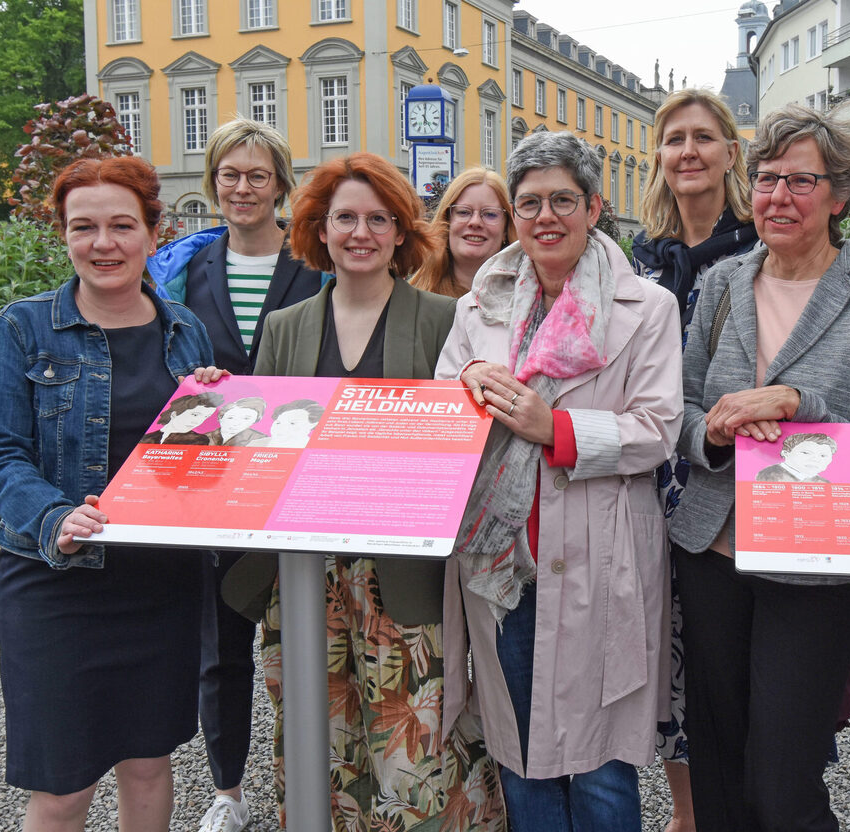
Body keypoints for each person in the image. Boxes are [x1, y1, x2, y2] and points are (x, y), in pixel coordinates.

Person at [222, 152, 504, 831]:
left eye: (379, 219)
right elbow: (260, 452)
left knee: (417, 755)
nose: (361, 232)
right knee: (317, 744)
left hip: (404, 581)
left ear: (401, 233)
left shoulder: (445, 319)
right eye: (345, 217)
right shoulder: (286, 326)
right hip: (302, 580)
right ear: (319, 228)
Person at [670, 103, 850, 831]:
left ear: (840, 195)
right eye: (768, 179)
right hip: (712, 548)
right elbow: (679, 408)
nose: (777, 197)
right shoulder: (721, 284)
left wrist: (799, 400)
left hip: (815, 563)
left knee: (781, 783)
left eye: (799, 181)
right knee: (715, 762)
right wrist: (710, 435)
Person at [436, 131, 683, 831]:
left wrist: (560, 430)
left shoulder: (648, 308)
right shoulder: (478, 306)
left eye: (563, 201)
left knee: (600, 765)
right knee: (520, 751)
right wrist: (465, 381)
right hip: (503, 559)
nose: (546, 217)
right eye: (530, 203)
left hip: (598, 554)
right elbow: (445, 403)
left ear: (595, 207)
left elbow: (658, 428)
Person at [0, 155, 219, 832]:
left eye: (120, 225)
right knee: (63, 788)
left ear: (152, 233)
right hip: (56, 583)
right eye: (84, 227)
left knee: (147, 763)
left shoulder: (183, 331)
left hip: (159, 584)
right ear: (64, 234)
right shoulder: (22, 329)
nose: (103, 243)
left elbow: (194, 461)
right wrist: (52, 515)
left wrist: (223, 410)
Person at [145, 117, 325, 832]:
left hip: (301, 473)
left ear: (281, 184)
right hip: (215, 479)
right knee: (222, 647)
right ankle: (228, 791)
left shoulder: (317, 264)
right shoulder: (184, 270)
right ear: (212, 181)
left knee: (311, 634)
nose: (241, 187)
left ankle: (316, 780)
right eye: (229, 174)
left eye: (256, 175)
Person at [631, 87, 758, 832]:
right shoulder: (643, 258)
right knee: (674, 649)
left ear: (730, 154)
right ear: (659, 154)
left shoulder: (757, 250)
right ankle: (687, 813)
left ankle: (746, 799)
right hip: (652, 474)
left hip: (729, 477)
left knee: (730, 655)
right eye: (674, 138)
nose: (688, 151)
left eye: (704, 138)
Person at [411, 167, 513, 298]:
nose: (475, 222)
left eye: (490, 214)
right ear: (447, 221)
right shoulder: (415, 299)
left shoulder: (528, 301)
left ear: (505, 229)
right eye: (463, 212)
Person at [139, 392, 223, 444]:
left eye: (205, 417)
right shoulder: (146, 438)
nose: (198, 421)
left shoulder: (198, 440)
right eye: (195, 415)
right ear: (174, 414)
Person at [754, 431, 837, 483]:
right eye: (806, 453)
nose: (815, 459)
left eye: (823, 455)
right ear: (786, 454)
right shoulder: (769, 475)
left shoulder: (823, 483)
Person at [246, 399, 323, 448]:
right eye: (278, 423)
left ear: (313, 424)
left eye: (292, 423)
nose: (282, 428)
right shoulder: (257, 444)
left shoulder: (317, 448)